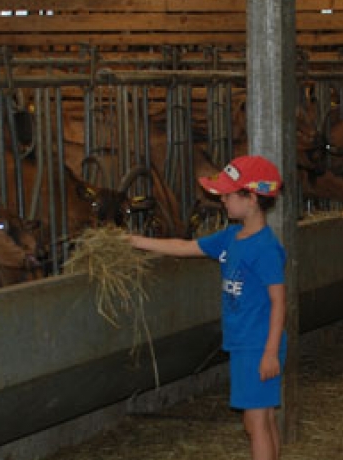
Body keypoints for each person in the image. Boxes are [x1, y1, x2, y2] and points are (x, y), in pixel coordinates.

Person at [126, 155, 287, 460]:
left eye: (228, 195)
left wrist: (269, 352)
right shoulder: (230, 237)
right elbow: (184, 247)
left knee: (255, 423)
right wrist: (136, 241)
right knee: (261, 419)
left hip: (258, 345)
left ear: (250, 198)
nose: (222, 200)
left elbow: (280, 301)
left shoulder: (265, 248)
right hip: (244, 343)